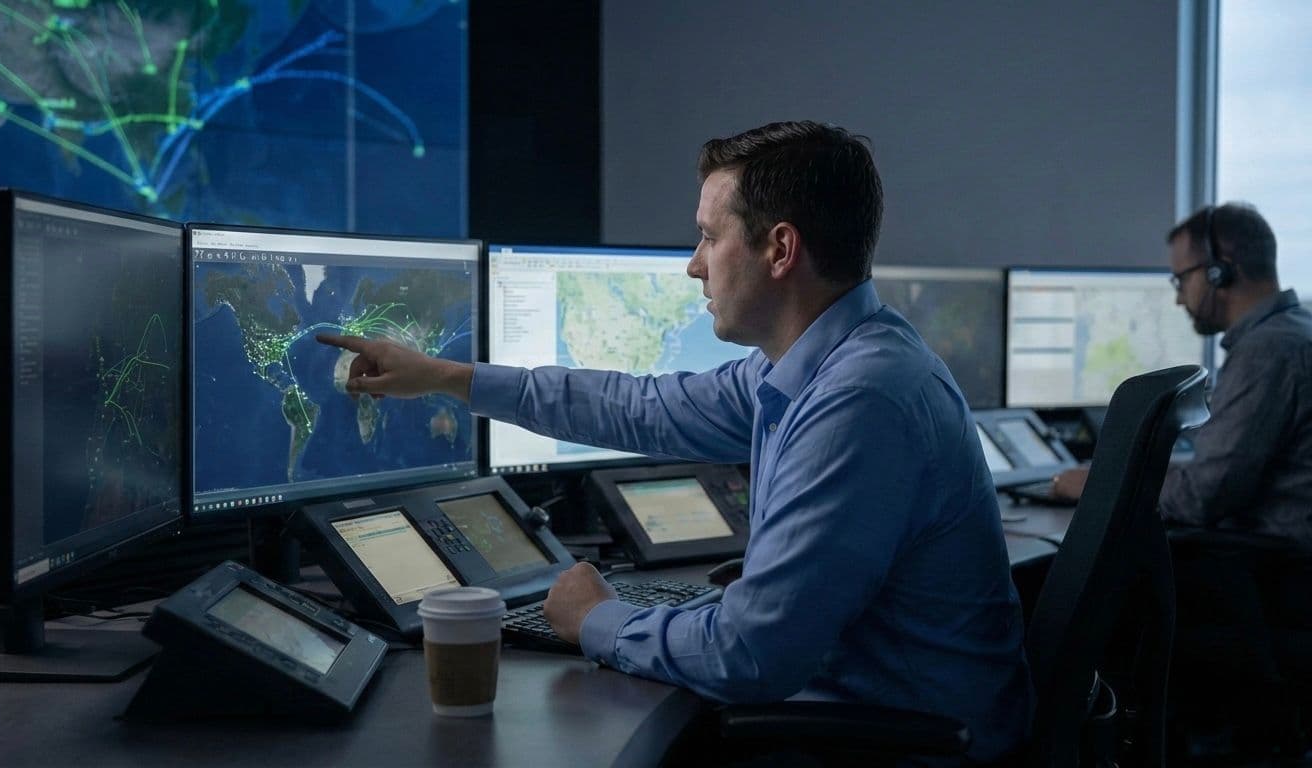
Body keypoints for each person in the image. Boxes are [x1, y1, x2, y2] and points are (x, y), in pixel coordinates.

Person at [318, 121, 1031, 761]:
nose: (695, 264)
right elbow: (641, 408)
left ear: (780, 248)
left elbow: (750, 656)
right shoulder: (833, 364)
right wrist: (446, 377)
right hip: (876, 713)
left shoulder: (859, 401)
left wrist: (594, 619)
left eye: (709, 237)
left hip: (898, 746)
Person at [1051, 203, 1312, 550]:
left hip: (1273, 567)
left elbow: (1201, 497)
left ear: (1220, 272)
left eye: (1182, 279)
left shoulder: (1266, 352)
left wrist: (1098, 484)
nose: (1178, 298)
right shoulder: (1297, 329)